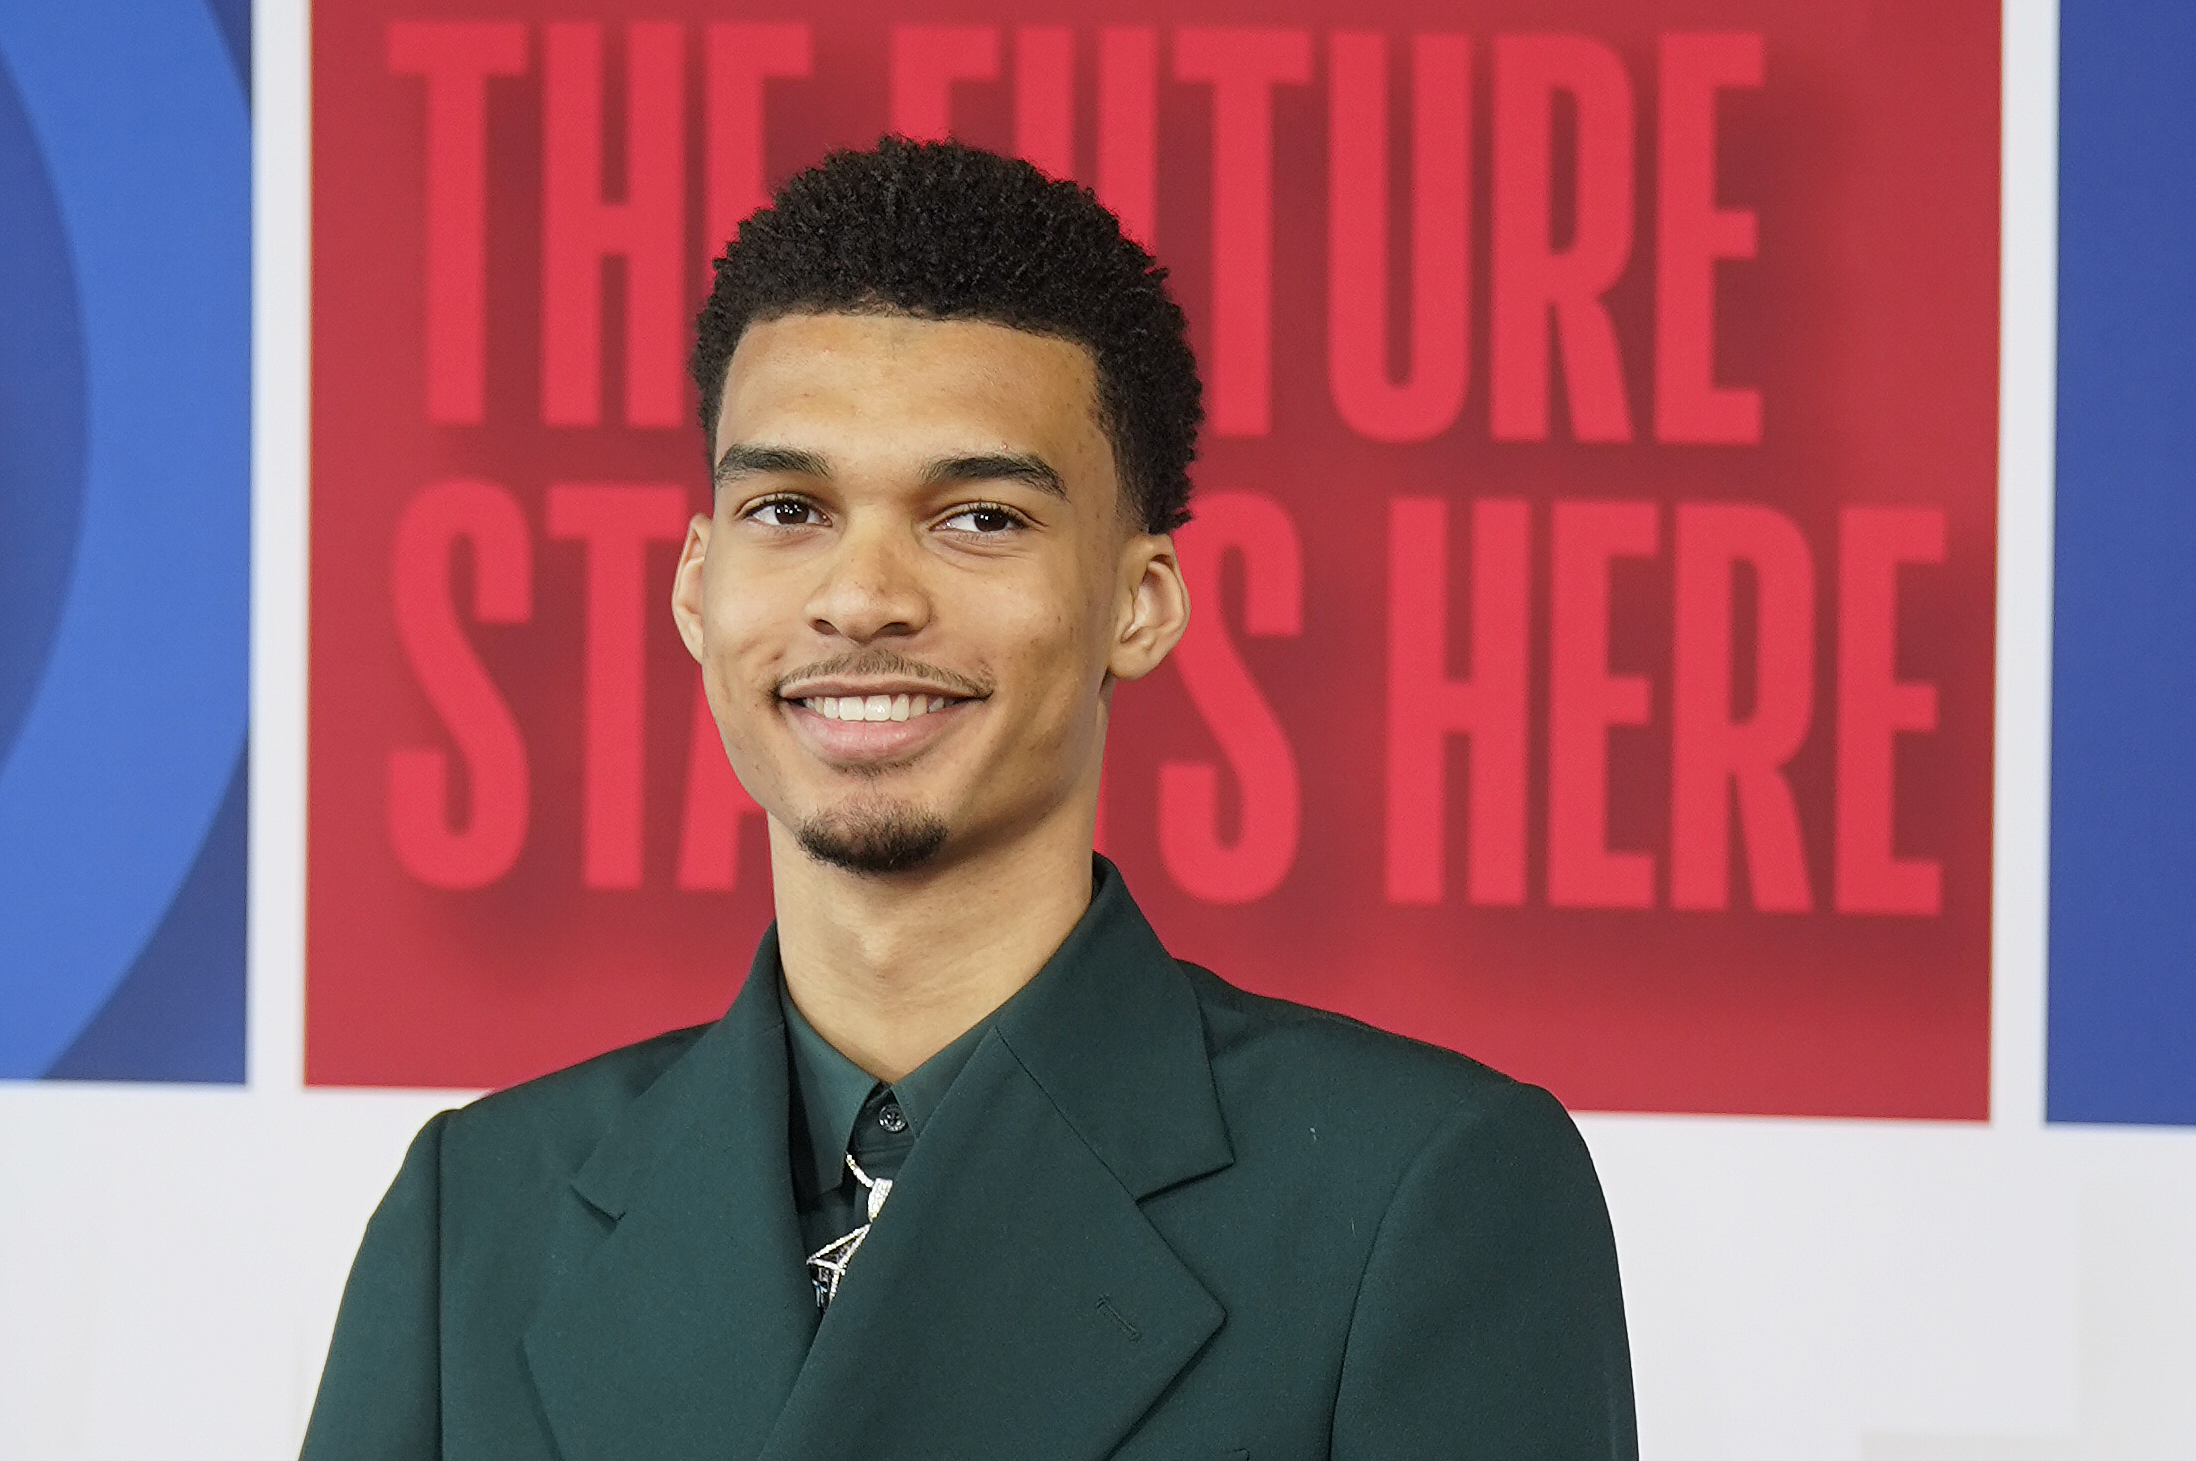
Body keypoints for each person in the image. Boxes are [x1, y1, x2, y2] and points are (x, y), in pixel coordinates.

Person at [302, 136, 1636, 1461]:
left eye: (979, 518)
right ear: (696, 586)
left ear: (1140, 601)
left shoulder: (1418, 1192)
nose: (865, 593)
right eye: (788, 507)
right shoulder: (476, 1214)